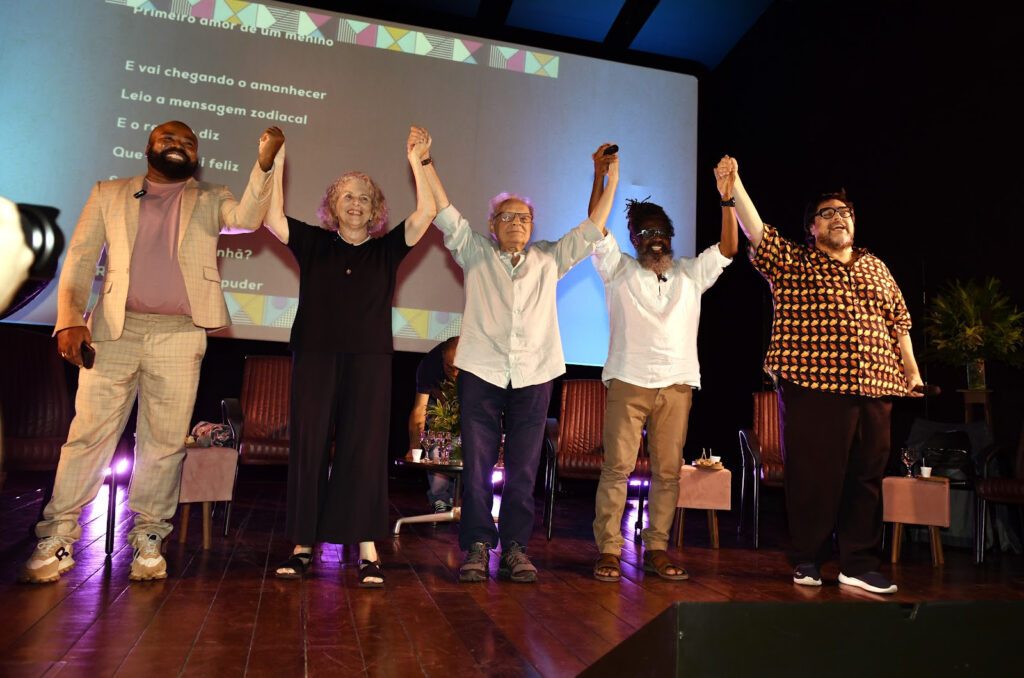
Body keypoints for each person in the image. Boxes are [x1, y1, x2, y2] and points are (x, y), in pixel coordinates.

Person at [20, 121, 284, 584]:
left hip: (180, 335)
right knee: (87, 437)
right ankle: (58, 535)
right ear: (149, 147)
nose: (178, 146)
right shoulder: (109, 192)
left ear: (196, 156)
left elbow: (249, 216)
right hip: (114, 332)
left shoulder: (210, 197)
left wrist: (264, 164)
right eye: (169, 139)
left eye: (188, 143)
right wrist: (70, 319)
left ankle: (149, 538)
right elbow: (81, 258)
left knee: (163, 444)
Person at [718, 155, 923, 594]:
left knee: (866, 477)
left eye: (845, 213)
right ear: (812, 227)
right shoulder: (794, 263)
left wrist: (911, 369)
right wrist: (735, 189)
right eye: (827, 214)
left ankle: (858, 562)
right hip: (814, 383)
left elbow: (899, 320)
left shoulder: (875, 266)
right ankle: (808, 558)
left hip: (876, 385)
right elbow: (758, 231)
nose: (838, 219)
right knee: (814, 475)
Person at [420, 137, 619, 583]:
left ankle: (514, 548)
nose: (516, 223)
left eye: (523, 217)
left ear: (532, 225)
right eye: (507, 216)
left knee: (524, 469)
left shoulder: (549, 258)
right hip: (483, 373)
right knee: (476, 466)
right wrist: (426, 161)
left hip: (534, 375)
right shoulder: (475, 252)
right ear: (492, 225)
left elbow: (592, 227)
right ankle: (476, 544)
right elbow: (443, 210)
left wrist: (608, 177)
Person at [265, 127, 435, 587]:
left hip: (370, 360)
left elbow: (428, 212)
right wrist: (276, 161)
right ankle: (303, 547)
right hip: (315, 356)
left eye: (364, 197)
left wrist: (418, 161)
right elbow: (270, 216)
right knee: (309, 448)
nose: (355, 203)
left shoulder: (387, 250)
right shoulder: (313, 243)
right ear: (332, 205)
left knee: (363, 453)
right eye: (346, 196)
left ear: (376, 208)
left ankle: (367, 550)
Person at [589, 145, 737, 582]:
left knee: (668, 472)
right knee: (617, 468)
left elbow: (729, 247)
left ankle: (657, 548)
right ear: (633, 240)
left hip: (676, 386)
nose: (655, 238)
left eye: (662, 232)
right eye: (646, 232)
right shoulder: (618, 270)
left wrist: (727, 198)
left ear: (671, 237)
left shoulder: (691, 273)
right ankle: (610, 551)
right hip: (628, 384)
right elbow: (595, 228)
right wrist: (601, 178)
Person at [407, 335, 460, 512]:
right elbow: (419, 410)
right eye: (449, 367)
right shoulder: (429, 365)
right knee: (439, 445)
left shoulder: (477, 363)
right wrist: (414, 448)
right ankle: (440, 498)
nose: (454, 374)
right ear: (442, 358)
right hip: (439, 405)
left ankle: (460, 497)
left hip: (468, 406)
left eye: (458, 369)